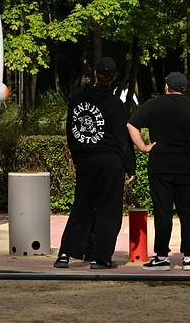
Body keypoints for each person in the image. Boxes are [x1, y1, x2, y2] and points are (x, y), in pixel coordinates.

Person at [126, 71, 190, 270]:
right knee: (188, 213)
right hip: (186, 166)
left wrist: (143, 147)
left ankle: (162, 256)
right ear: (184, 89)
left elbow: (132, 125)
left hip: (160, 165)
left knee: (163, 212)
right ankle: (188, 256)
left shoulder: (154, 104)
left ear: (166, 86)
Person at [56, 57, 136, 269]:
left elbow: (71, 131)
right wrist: (130, 167)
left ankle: (65, 253)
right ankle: (100, 257)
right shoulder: (115, 104)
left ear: (95, 74)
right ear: (114, 78)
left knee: (81, 206)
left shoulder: (77, 98)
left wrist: (76, 157)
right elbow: (122, 138)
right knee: (109, 209)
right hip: (110, 160)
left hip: (86, 159)